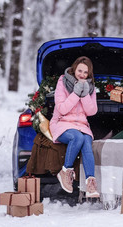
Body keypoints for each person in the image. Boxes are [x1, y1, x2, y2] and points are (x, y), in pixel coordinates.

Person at [50, 56, 99, 198]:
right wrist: (76, 93)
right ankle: (65, 171)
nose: (82, 75)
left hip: (82, 125)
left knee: (86, 142)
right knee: (77, 137)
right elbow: (62, 108)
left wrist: (84, 94)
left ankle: (90, 183)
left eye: (86, 72)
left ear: (89, 74)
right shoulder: (62, 82)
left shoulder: (90, 88)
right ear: (74, 69)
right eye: (80, 71)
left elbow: (92, 111)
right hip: (62, 123)